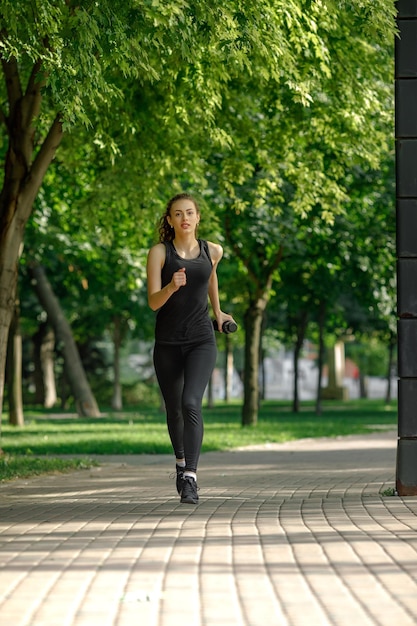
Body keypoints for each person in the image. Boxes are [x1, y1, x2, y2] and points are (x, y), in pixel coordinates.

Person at [146, 192, 235, 504]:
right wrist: (171, 286)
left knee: (191, 402)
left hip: (200, 339)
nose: (184, 218)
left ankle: (191, 478)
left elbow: (211, 280)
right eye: (177, 214)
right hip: (168, 342)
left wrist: (219, 312)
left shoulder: (213, 250)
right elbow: (153, 302)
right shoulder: (159, 253)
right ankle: (181, 463)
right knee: (174, 409)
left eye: (190, 213)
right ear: (169, 220)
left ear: (198, 218)